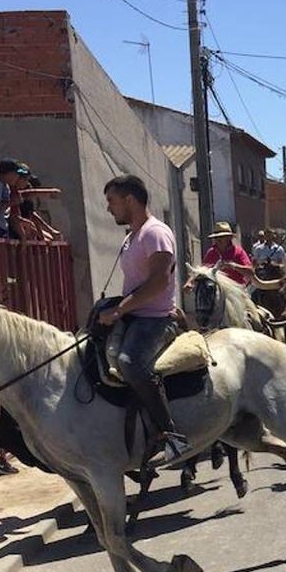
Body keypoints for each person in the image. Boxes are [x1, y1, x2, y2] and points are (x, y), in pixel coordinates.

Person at [98, 175, 189, 461]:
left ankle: (172, 436)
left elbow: (159, 283)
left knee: (130, 363)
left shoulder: (155, 233)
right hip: (135, 316)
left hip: (156, 318)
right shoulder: (132, 236)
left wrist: (119, 310)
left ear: (129, 200)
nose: (109, 208)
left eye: (112, 201)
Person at [198, 221, 255, 286]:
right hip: (216, 289)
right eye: (216, 237)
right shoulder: (211, 252)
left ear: (229, 238)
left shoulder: (238, 252)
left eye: (221, 237)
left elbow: (250, 272)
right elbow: (202, 270)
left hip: (236, 290)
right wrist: (189, 282)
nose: (218, 239)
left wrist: (233, 266)